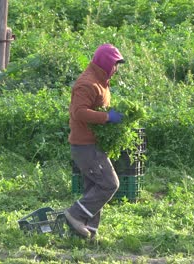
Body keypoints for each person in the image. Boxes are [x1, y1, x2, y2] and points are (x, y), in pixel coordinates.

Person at [65, 44, 125, 240]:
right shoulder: (87, 84)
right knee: (109, 184)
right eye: (114, 64)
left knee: (94, 188)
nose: (116, 69)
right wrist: (107, 117)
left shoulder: (101, 82)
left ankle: (88, 233)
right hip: (85, 146)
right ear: (106, 63)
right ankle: (75, 215)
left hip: (93, 144)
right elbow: (79, 112)